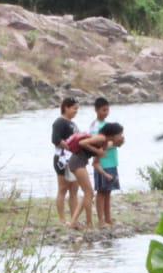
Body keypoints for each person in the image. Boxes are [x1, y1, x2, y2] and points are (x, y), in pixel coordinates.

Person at [64, 122, 124, 229]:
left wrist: (105, 174)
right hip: (77, 162)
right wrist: (97, 151)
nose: (121, 136)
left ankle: (73, 222)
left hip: (80, 162)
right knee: (89, 192)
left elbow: (97, 160)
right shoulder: (101, 138)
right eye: (120, 134)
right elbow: (82, 143)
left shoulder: (105, 143)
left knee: (88, 193)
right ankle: (89, 224)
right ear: (113, 134)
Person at [89, 98, 120, 228]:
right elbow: (98, 144)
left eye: (107, 109)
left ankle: (108, 218)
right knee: (101, 191)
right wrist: (114, 142)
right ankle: (101, 220)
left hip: (112, 161)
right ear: (96, 110)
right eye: (103, 110)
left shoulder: (107, 125)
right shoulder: (96, 126)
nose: (106, 112)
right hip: (102, 162)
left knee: (108, 191)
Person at [51, 98, 82, 225]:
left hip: (74, 159)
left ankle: (74, 219)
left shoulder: (73, 124)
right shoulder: (59, 122)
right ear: (66, 108)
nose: (76, 111)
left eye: (77, 109)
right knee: (63, 189)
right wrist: (70, 146)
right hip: (62, 159)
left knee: (74, 190)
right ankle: (62, 219)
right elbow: (56, 139)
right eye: (74, 108)